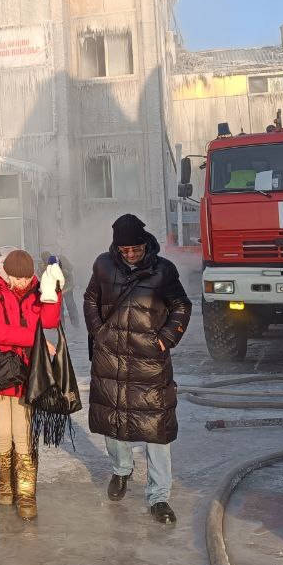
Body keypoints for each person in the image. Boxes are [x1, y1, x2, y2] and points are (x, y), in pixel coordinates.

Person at [82, 214, 192, 525]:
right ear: (116, 248)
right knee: (114, 421)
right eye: (125, 250)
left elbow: (182, 306)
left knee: (156, 430)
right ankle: (120, 470)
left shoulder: (163, 270)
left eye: (136, 250)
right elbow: (91, 298)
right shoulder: (103, 264)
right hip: (111, 357)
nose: (131, 255)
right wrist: (99, 331)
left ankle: (159, 496)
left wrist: (166, 338)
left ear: (145, 245)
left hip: (149, 360)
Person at [0, 248, 64, 520]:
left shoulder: (37, 289)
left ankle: (26, 494)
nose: (23, 283)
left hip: (27, 373)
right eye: (18, 278)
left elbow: (50, 321)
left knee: (23, 435)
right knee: (3, 434)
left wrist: (54, 292)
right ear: (6, 273)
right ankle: (5, 485)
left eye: (28, 278)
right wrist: (31, 339)